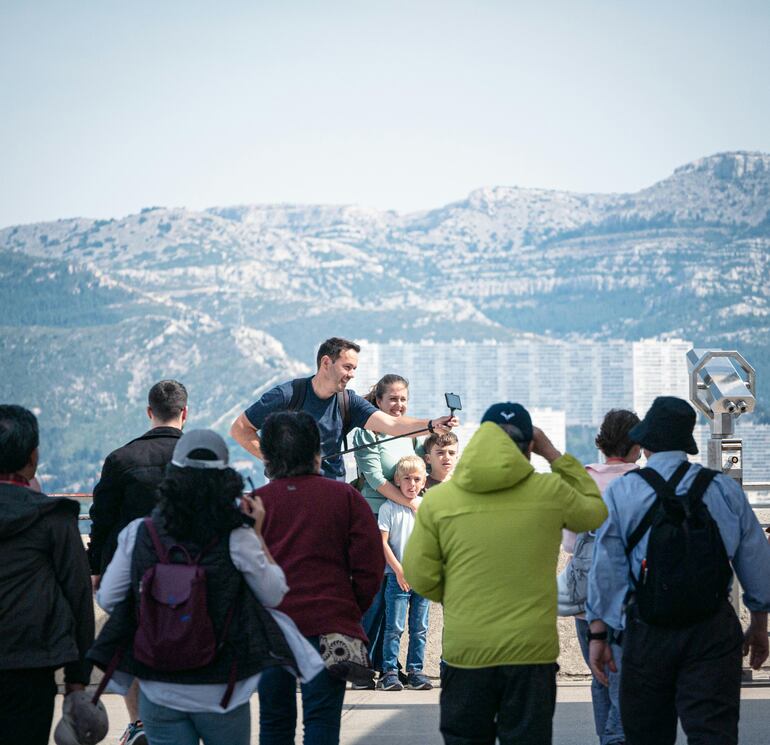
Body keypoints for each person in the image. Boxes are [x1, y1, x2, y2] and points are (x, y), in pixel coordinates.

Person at [89, 429, 319, 745]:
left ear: (173, 477)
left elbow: (108, 597)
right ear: (225, 477)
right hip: (223, 689)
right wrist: (258, 533)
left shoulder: (140, 533)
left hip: (159, 685)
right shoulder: (237, 537)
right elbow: (274, 592)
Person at [403, 402, 608, 745]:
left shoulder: (440, 501)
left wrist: (458, 596)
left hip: (466, 652)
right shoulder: (549, 492)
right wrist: (553, 454)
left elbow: (419, 575)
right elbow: (594, 513)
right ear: (530, 445)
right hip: (531, 654)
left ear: (481, 437)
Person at [586, 396, 770, 745]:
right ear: (686, 441)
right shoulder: (724, 489)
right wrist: (760, 625)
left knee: (646, 734)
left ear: (646, 442)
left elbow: (606, 569)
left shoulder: (624, 491)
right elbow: (757, 564)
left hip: (647, 630)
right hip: (712, 630)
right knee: (712, 734)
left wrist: (599, 634)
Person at [255, 411, 384, 745]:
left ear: (267, 456)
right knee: (323, 722)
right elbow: (370, 568)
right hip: (330, 627)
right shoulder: (346, 498)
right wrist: (349, 610)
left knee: (274, 723)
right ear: (317, 451)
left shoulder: (254, 504)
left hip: (270, 632)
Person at [88, 379, 188, 745]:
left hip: (131, 569)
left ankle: (139, 724)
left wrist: (96, 568)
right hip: (186, 571)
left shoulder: (120, 458)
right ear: (185, 413)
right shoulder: (198, 458)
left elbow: (101, 518)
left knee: (130, 646)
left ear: (150, 413)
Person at [230, 337, 457, 481]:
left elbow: (392, 424)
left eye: (355, 368)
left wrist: (431, 425)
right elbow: (240, 429)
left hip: (331, 488)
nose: (352, 374)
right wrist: (275, 460)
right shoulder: (286, 395)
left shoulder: (348, 401)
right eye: (347, 367)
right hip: (289, 487)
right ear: (326, 363)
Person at [0, 405, 95, 745]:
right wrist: (77, 679)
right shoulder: (53, 520)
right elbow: (79, 595)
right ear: (33, 456)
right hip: (31, 664)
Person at [561, 409, 640, 745]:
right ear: (636, 444)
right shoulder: (640, 484)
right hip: (627, 599)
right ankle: (615, 738)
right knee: (625, 677)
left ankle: (606, 736)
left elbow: (569, 544)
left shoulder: (582, 481)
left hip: (585, 599)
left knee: (599, 675)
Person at [352, 373, 421, 683]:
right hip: (373, 520)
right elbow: (376, 479)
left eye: (403, 399)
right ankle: (358, 666)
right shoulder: (367, 433)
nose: (398, 405)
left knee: (391, 602)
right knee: (373, 598)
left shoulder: (410, 435)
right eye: (392, 399)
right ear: (377, 401)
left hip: (402, 525)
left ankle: (384, 665)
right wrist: (411, 504)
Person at [378, 455, 433, 691]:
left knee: (420, 627)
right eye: (406, 479)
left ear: (424, 482)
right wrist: (399, 571)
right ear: (397, 481)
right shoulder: (388, 507)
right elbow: (383, 543)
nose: (412, 484)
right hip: (396, 577)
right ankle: (389, 671)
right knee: (394, 627)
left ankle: (415, 671)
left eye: (417, 479)